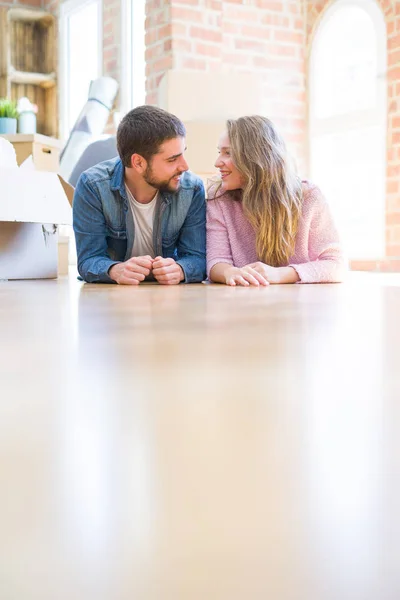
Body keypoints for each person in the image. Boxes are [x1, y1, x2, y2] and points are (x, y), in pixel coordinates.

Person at [73, 105, 206, 284]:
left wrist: (181, 270)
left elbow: (197, 258)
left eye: (182, 154)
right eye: (172, 159)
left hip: (169, 295)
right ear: (138, 163)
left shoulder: (192, 189)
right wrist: (115, 270)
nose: (184, 166)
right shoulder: (93, 186)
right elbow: (88, 260)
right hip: (114, 298)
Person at [206, 115, 346, 286]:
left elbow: (336, 264)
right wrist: (230, 272)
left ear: (254, 156)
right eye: (219, 152)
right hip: (240, 300)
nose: (217, 162)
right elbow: (216, 260)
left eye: (228, 153)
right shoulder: (219, 197)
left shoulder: (308, 196)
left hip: (299, 304)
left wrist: (281, 275)